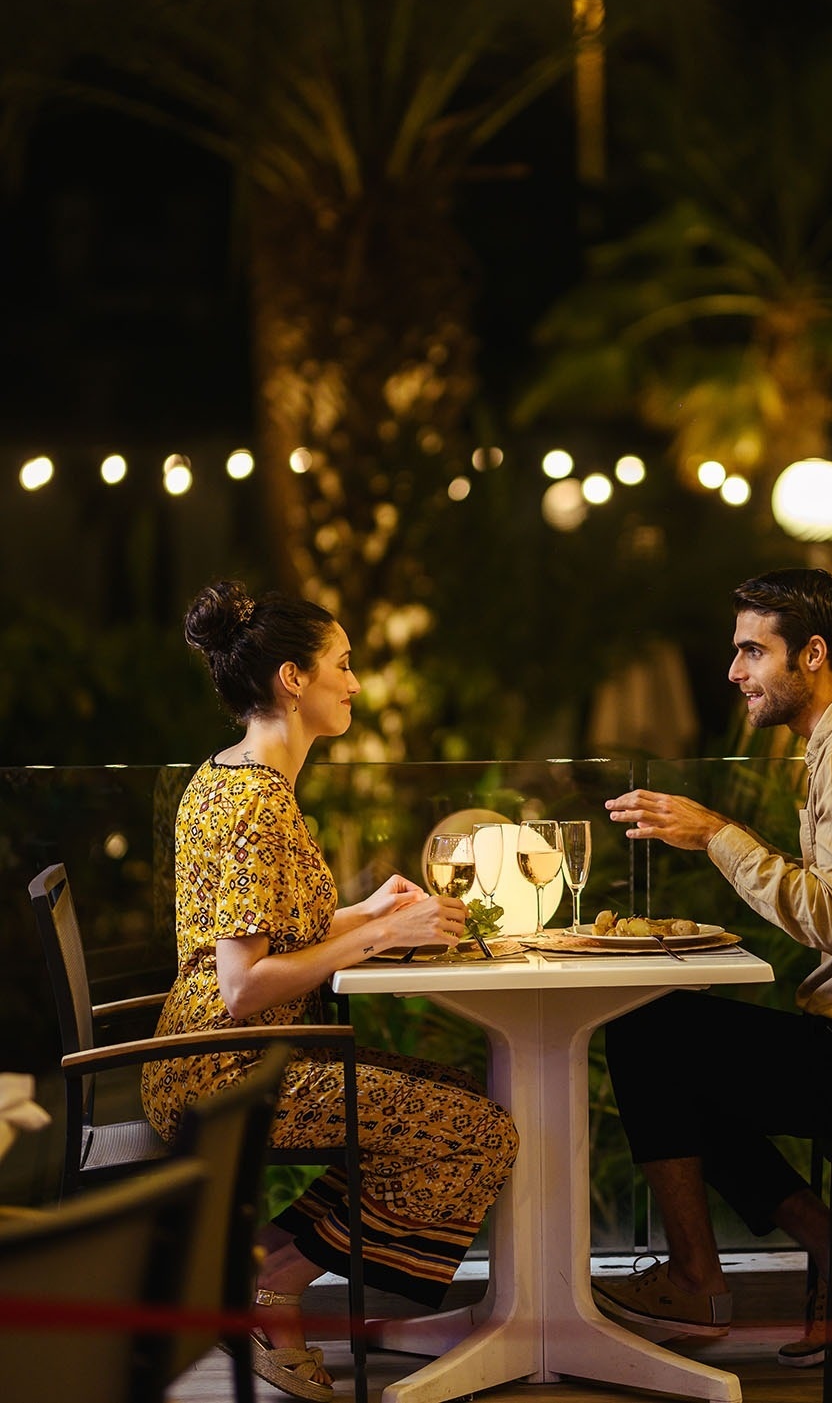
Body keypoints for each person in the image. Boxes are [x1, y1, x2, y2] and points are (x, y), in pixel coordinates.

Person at [593, 567, 832, 1367]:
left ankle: (705, 1280)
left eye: (752, 651)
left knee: (646, 1034)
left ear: (812, 654)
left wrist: (716, 834)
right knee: (666, 1041)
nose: (734, 670)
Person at [141, 580, 519, 1402]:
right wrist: (379, 936)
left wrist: (368, 911)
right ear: (292, 678)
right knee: (477, 1131)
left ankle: (262, 1273)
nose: (354, 682)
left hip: (221, 1056)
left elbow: (263, 932)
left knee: (462, 1098)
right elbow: (242, 985)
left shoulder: (230, 774)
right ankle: (273, 1285)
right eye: (342, 665)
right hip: (230, 1073)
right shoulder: (256, 802)